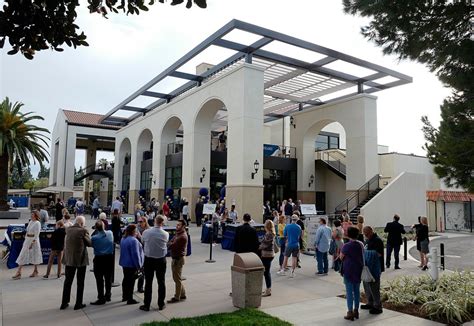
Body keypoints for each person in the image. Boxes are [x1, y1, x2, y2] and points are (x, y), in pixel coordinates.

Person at [60, 216, 92, 310]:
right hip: (80, 260)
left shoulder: (68, 229)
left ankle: (64, 302)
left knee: (68, 282)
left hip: (69, 259)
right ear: (82, 223)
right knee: (80, 282)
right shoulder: (83, 231)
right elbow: (90, 243)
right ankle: (78, 303)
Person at [140, 216, 169, 312]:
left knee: (148, 283)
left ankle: (146, 304)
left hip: (149, 260)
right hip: (161, 260)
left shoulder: (146, 232)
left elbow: (142, 241)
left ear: (155, 221)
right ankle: (161, 304)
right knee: (161, 282)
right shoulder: (165, 234)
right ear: (162, 222)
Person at [340, 226, 364, 321]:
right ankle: (356, 310)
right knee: (357, 291)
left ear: (348, 234)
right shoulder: (360, 244)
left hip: (349, 269)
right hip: (358, 268)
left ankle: (350, 311)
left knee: (349, 292)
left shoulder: (346, 246)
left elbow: (341, 257)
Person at [12, 210, 43, 280]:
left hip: (33, 241)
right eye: (31, 214)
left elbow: (37, 234)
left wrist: (32, 242)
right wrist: (26, 240)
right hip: (27, 240)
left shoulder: (37, 223)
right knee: (22, 255)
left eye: (32, 214)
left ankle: (35, 271)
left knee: (34, 255)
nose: (31, 215)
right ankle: (19, 272)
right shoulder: (30, 222)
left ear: (36, 215)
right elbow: (27, 231)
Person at [90, 220, 114, 305]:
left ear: (96, 228)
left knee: (99, 279)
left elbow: (91, 245)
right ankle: (108, 295)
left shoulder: (94, 238)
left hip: (99, 259)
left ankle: (101, 297)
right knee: (108, 278)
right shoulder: (110, 233)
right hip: (109, 258)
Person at [361, 226, 384, 315]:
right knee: (367, 286)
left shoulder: (377, 240)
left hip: (375, 268)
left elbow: (378, 254)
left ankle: (378, 306)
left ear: (371, 232)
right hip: (367, 268)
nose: (365, 236)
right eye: (364, 234)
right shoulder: (368, 240)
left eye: (367, 234)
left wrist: (366, 253)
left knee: (374, 287)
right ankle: (370, 303)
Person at [119, 224, 144, 305]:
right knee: (131, 282)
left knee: (126, 280)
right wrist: (139, 266)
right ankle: (130, 298)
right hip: (131, 264)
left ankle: (125, 296)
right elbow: (135, 255)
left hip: (124, 263)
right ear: (133, 231)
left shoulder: (123, 239)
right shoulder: (134, 241)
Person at [167, 219, 188, 304]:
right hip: (176, 258)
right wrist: (170, 243)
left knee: (177, 279)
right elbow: (171, 241)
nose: (177, 226)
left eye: (179, 225)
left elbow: (171, 246)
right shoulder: (178, 234)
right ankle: (182, 294)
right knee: (177, 278)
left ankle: (177, 297)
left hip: (178, 259)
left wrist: (170, 244)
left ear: (183, 226)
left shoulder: (182, 236)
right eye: (177, 225)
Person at [259, 220, 275, 297]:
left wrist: (258, 247)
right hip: (270, 255)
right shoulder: (270, 233)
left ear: (267, 226)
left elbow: (264, 244)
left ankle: (268, 290)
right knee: (266, 272)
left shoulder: (269, 234)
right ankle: (268, 289)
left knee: (266, 273)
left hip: (267, 255)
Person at [136, 215, 150, 293]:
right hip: (137, 252)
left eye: (141, 222)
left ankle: (140, 287)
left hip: (145, 253)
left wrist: (140, 236)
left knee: (143, 271)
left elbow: (146, 242)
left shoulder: (148, 230)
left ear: (145, 222)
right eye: (138, 221)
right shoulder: (136, 229)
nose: (139, 223)